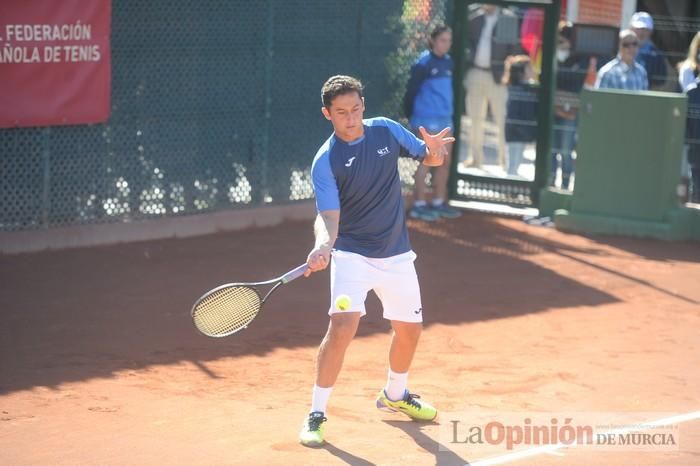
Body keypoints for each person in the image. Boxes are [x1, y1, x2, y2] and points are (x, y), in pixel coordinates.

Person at [299, 75, 454, 447]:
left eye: (355, 109)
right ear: (327, 114)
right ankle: (316, 413)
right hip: (352, 254)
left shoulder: (385, 131)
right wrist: (323, 246)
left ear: (363, 106)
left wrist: (435, 153)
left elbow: (428, 156)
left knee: (410, 330)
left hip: (397, 253)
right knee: (342, 327)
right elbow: (330, 217)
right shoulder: (326, 160)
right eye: (341, 113)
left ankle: (395, 395)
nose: (351, 119)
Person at [403, 24, 462, 221]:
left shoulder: (448, 63)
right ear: (433, 41)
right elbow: (410, 92)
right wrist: (411, 116)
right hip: (425, 119)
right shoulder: (423, 63)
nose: (447, 44)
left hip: (445, 119)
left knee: (444, 162)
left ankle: (438, 201)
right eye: (443, 40)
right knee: (427, 161)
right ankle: (419, 204)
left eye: (449, 40)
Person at [464, 3, 520, 169]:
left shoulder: (507, 19)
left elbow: (514, 48)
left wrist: (507, 72)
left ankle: (505, 160)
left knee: (501, 119)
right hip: (475, 72)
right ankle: (475, 158)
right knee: (474, 118)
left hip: (498, 76)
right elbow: (467, 43)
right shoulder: (475, 17)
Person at [550, 21, 588, 190]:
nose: (560, 43)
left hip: (571, 109)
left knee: (566, 150)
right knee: (551, 149)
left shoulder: (581, 58)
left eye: (563, 39)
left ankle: (565, 184)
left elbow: (576, 82)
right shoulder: (551, 55)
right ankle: (550, 182)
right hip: (551, 109)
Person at [503, 55, 538, 177]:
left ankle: (511, 187)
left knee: (517, 161)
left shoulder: (529, 88)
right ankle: (509, 187)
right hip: (515, 131)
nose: (533, 70)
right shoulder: (516, 90)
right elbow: (514, 113)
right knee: (513, 162)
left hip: (522, 131)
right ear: (521, 72)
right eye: (529, 68)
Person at [629, 11, 668, 91]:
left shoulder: (657, 55)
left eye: (645, 29)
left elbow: (660, 81)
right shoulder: (619, 48)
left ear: (651, 31)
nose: (641, 32)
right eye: (638, 29)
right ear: (631, 29)